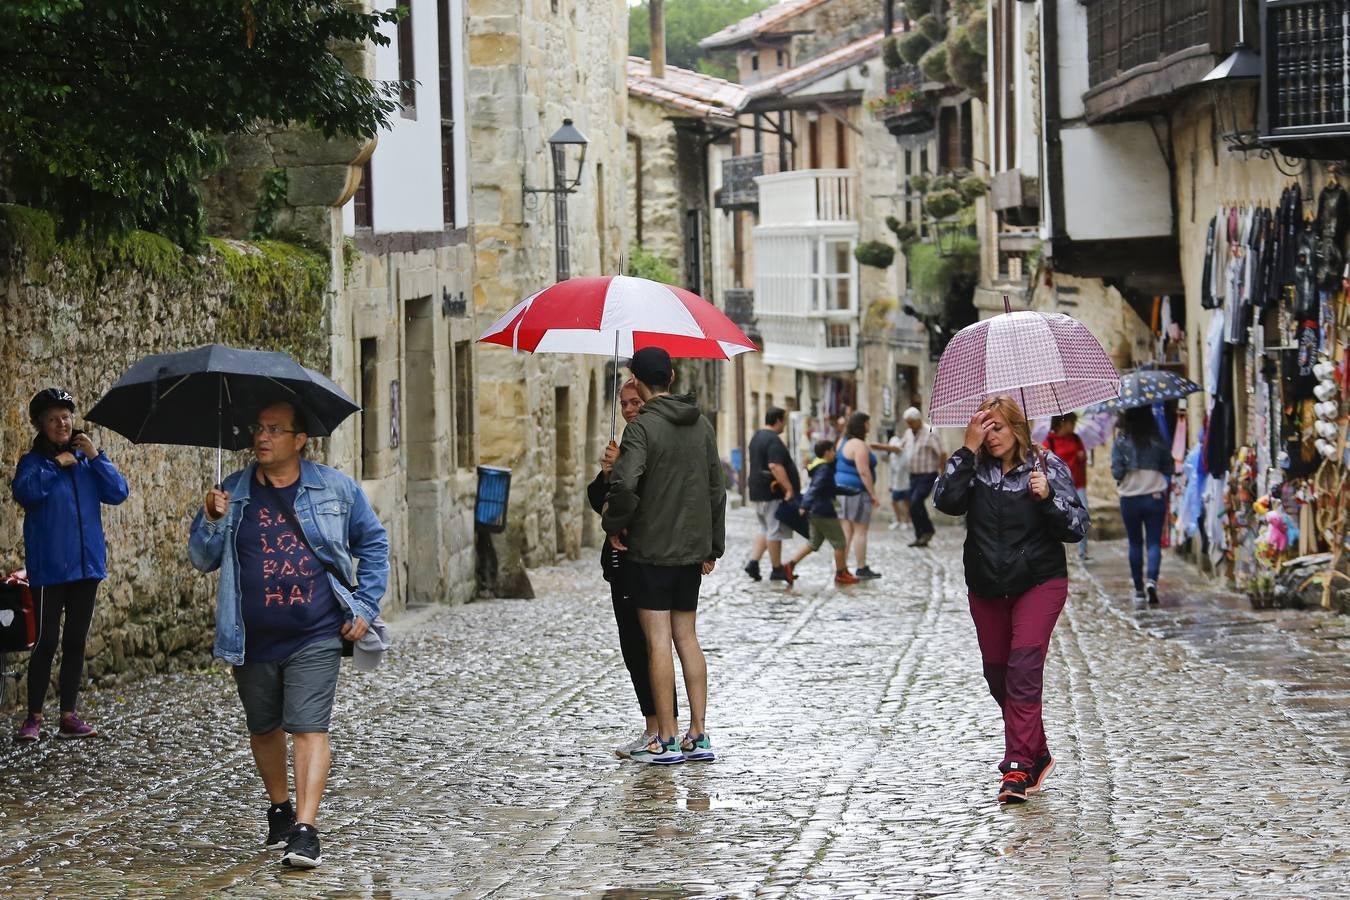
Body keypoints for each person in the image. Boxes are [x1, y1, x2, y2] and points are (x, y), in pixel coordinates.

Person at [188, 400, 389, 868]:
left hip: (315, 630)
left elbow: (374, 542)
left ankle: (305, 828)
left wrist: (364, 604)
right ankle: (279, 809)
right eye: (258, 429)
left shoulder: (335, 488)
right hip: (251, 636)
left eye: (275, 430)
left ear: (299, 440)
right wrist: (212, 520)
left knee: (309, 726)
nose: (262, 437)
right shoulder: (231, 491)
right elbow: (200, 558)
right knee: (264, 727)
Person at [932, 395, 1088, 804]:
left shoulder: (1046, 465)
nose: (990, 435)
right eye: (983, 426)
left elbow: (1076, 526)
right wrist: (966, 449)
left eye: (997, 426)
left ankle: (1017, 766)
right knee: (998, 676)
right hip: (987, 586)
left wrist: (1048, 498)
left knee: (1022, 668)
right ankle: (1036, 750)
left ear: (1018, 428)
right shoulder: (972, 467)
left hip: (1039, 582)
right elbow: (944, 502)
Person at [603, 347, 724, 765]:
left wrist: (614, 524)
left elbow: (625, 485)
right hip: (690, 553)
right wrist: (713, 546)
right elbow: (716, 490)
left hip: (651, 552)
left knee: (657, 642)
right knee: (687, 638)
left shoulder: (642, 430)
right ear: (671, 377)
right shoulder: (702, 425)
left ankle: (666, 739)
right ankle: (699, 733)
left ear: (638, 380)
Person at [12, 389, 129, 742]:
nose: (61, 424)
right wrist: (55, 466)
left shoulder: (87, 461)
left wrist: (97, 456)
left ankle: (68, 715)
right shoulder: (33, 463)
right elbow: (26, 493)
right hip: (50, 569)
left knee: (76, 641)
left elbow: (118, 492)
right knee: (47, 642)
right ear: (41, 425)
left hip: (87, 566)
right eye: (52, 419)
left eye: (65, 416)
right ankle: (33, 717)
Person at [586, 379, 673, 757]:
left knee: (647, 646)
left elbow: (638, 498)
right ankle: (654, 724)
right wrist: (607, 474)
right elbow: (598, 499)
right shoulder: (626, 442)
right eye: (624, 403)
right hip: (621, 560)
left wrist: (618, 478)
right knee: (634, 646)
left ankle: (660, 727)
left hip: (641, 554)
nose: (629, 408)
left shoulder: (647, 440)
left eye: (636, 401)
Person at [1111, 406, 1173, 605]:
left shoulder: (1120, 443)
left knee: (1135, 543)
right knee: (1153, 543)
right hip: (1154, 497)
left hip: (1130, 499)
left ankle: (1138, 589)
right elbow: (1169, 467)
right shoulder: (1158, 441)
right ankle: (1152, 581)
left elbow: (1117, 473)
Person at [782, 440, 859, 587]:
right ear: (827, 452)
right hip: (823, 511)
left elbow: (830, 488)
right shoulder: (824, 469)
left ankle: (789, 565)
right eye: (833, 451)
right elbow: (816, 488)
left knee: (813, 543)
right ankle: (841, 573)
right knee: (840, 543)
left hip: (815, 512)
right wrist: (805, 504)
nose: (835, 454)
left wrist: (852, 491)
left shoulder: (819, 467)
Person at [742, 407, 798, 583]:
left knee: (765, 528)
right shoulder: (773, 440)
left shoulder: (757, 436)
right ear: (779, 421)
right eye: (784, 421)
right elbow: (775, 466)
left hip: (757, 490)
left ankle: (753, 562)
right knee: (774, 530)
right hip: (771, 491)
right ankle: (776, 569)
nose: (785, 425)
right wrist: (788, 488)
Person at [834, 412, 881, 579]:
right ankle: (861, 567)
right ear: (862, 425)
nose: (869, 426)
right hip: (856, 491)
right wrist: (873, 494)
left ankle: (842, 567)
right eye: (867, 423)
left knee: (846, 530)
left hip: (841, 490)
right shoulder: (858, 445)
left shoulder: (842, 441)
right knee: (860, 530)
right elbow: (863, 471)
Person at [895, 407, 944, 548]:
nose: (909, 425)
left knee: (916, 501)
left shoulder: (930, 432)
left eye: (911, 422)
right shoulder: (908, 433)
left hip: (928, 474)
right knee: (912, 504)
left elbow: (941, 453)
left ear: (918, 420)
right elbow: (901, 447)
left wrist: (943, 475)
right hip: (913, 475)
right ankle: (920, 535)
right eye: (907, 423)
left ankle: (928, 530)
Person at [1044, 413, 1090, 562]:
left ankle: (1082, 552)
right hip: (1059, 489)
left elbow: (1083, 459)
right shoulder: (1049, 442)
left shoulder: (1076, 439)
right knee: (1061, 519)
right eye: (1072, 423)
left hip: (1078, 485)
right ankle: (1063, 552)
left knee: (1082, 516)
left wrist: (1082, 457)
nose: (1073, 427)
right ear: (1063, 423)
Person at [885, 427, 910, 531]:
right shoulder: (892, 457)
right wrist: (890, 484)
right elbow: (892, 471)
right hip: (896, 483)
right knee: (894, 501)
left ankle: (906, 521)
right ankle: (898, 520)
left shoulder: (905, 455)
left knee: (906, 502)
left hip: (906, 483)